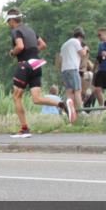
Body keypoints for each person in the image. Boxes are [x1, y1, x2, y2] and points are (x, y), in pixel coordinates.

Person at [5, 9, 72, 137]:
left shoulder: (16, 31)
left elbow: (20, 46)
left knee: (17, 97)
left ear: (12, 20)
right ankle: (61, 104)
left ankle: (24, 129)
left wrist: (13, 52)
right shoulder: (31, 30)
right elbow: (43, 45)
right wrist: (33, 52)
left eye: (8, 21)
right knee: (36, 99)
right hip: (36, 64)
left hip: (25, 65)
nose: (8, 24)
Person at [57, 28, 86, 119]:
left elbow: (60, 60)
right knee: (77, 90)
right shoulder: (76, 41)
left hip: (64, 70)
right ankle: (81, 111)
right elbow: (82, 54)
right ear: (81, 37)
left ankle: (70, 112)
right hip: (73, 69)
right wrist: (85, 48)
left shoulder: (64, 45)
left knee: (69, 92)